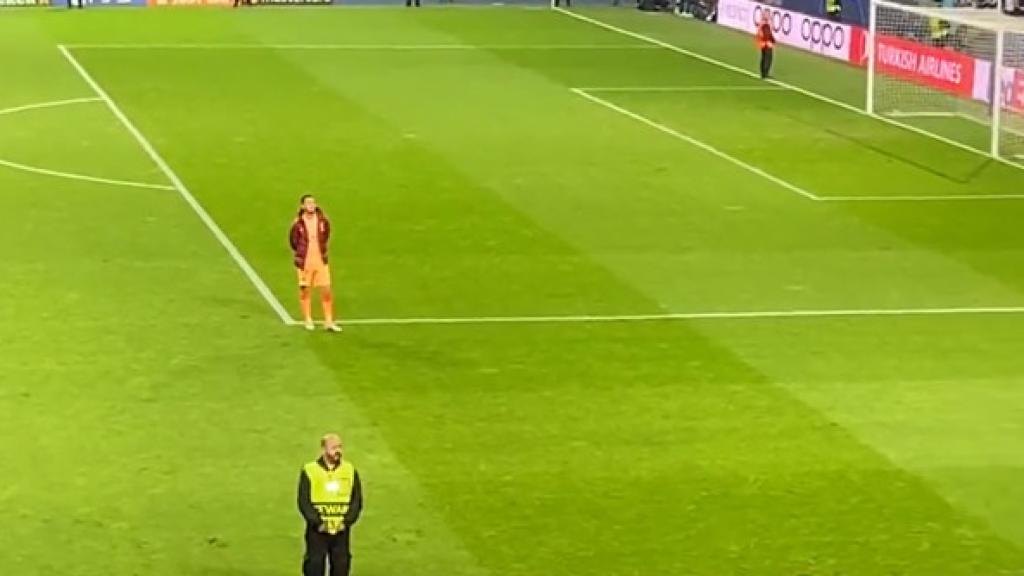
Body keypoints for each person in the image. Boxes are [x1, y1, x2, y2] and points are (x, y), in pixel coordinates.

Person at [298, 433, 363, 576]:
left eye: (340, 447)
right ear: (323, 449)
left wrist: (346, 522)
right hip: (317, 531)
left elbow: (356, 500)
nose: (338, 451)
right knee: (314, 566)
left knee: (341, 567)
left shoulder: (349, 470)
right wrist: (318, 522)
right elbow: (304, 501)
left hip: (341, 531)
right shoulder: (310, 471)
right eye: (333, 447)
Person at [289, 194, 342, 332]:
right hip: (305, 263)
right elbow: (293, 241)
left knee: (326, 290)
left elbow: (326, 235)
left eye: (313, 202)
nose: (311, 205)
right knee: (305, 291)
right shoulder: (298, 223)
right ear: (303, 206)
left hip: (321, 261)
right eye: (308, 203)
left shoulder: (323, 221)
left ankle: (329, 321)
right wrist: (301, 253)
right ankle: (308, 319)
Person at [755, 13, 775, 79]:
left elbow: (770, 31)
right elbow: (764, 34)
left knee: (764, 58)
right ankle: (764, 73)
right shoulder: (764, 25)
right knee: (768, 58)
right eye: (767, 15)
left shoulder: (763, 24)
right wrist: (768, 42)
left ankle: (764, 73)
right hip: (766, 44)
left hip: (763, 43)